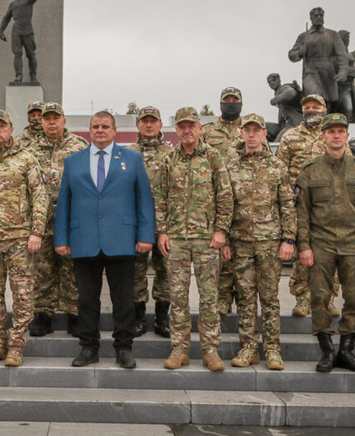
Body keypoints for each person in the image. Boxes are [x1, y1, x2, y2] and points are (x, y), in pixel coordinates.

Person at [54, 111, 155, 369]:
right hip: (83, 239)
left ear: (114, 130)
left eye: (105, 126)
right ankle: (89, 347)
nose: (100, 130)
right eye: (96, 126)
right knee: (86, 299)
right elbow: (64, 202)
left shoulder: (132, 159)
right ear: (89, 130)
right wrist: (61, 238)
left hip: (121, 239)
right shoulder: (73, 161)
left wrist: (145, 235)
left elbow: (144, 200)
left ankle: (124, 347)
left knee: (124, 299)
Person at [295, 113, 355, 373]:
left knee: (354, 297)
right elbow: (301, 212)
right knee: (320, 297)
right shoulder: (310, 170)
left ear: (347, 135)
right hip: (320, 244)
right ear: (322, 136)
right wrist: (304, 246)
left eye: (340, 131)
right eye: (330, 131)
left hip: (354, 244)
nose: (335, 135)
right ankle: (327, 351)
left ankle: (346, 350)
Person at [155, 107, 233, 372]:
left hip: (206, 239)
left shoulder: (213, 157)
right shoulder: (168, 160)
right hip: (176, 238)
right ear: (176, 130)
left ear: (201, 128)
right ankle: (179, 349)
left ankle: (211, 350)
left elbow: (225, 195)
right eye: (181, 126)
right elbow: (160, 198)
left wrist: (221, 229)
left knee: (209, 297)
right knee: (177, 297)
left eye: (191, 125)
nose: (187, 130)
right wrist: (162, 231)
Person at [0, 110, 48, 367]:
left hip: (20, 240)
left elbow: (40, 196)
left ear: (11, 128)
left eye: (2, 126)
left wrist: (37, 231)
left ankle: (16, 345)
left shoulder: (26, 158)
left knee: (23, 294)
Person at [224, 114, 296, 370]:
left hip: (269, 242)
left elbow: (288, 204)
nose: (252, 135)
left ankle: (273, 349)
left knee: (269, 298)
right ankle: (249, 348)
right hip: (240, 243)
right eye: (248, 130)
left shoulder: (277, 166)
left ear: (265, 134)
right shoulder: (230, 167)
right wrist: (224, 239)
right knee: (244, 298)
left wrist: (289, 238)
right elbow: (224, 205)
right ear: (241, 133)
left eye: (257, 130)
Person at [275, 94, 343, 317]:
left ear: (325, 110)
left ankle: (329, 298)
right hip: (299, 206)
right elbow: (280, 172)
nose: (311, 110)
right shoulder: (290, 137)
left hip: (328, 207)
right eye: (307, 107)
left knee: (329, 254)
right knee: (302, 255)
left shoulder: (332, 136)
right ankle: (303, 298)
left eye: (316, 106)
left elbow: (347, 168)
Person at [28, 102, 89, 337]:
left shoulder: (79, 146)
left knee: (72, 267)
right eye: (47, 119)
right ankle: (43, 314)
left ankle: (74, 313)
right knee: (42, 267)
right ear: (41, 122)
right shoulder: (31, 148)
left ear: (64, 121)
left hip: (72, 218)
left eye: (56, 118)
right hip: (41, 219)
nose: (51, 122)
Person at [125, 106, 174, 338]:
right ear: (138, 125)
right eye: (144, 121)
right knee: (136, 271)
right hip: (135, 223)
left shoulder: (171, 153)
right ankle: (138, 316)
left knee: (165, 270)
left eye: (153, 121)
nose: (148, 125)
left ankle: (162, 317)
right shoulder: (127, 153)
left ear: (160, 125)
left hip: (167, 223)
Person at [201, 86, 245, 316]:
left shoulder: (250, 130)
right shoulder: (207, 132)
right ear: (220, 103)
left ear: (240, 103)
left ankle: (242, 297)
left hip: (246, 200)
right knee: (221, 251)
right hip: (217, 200)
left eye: (234, 100)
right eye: (226, 100)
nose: (230, 103)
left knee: (242, 251)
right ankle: (223, 297)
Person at [288, 7, 349, 106]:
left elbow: (342, 56)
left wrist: (342, 72)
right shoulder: (304, 36)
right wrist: (299, 52)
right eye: (316, 16)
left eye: (321, 15)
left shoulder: (333, 35)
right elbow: (291, 55)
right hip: (310, 73)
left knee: (327, 104)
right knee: (314, 99)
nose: (319, 17)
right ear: (311, 18)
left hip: (327, 74)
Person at [0, 0, 47, 83]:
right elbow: (6, 18)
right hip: (16, 30)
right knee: (17, 54)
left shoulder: (29, 0)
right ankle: (18, 75)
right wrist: (1, 31)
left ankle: (33, 76)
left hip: (27, 29)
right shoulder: (13, 4)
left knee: (31, 54)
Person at [335, 30, 355, 124]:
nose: (348, 40)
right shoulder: (336, 52)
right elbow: (338, 66)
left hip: (350, 86)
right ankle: (341, 130)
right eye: (347, 38)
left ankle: (344, 131)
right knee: (347, 109)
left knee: (350, 110)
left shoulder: (345, 51)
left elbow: (350, 57)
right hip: (341, 87)